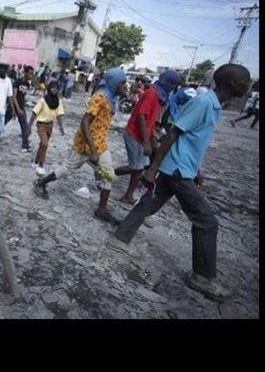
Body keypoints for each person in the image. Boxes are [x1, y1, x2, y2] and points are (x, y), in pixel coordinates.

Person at [107, 65, 252, 301]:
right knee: (207, 221)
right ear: (234, 83)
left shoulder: (213, 106)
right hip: (176, 170)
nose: (249, 86)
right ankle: (202, 277)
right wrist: (152, 169)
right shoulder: (203, 103)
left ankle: (119, 238)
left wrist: (197, 170)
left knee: (150, 203)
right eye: (246, 82)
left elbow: (191, 140)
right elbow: (173, 133)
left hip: (182, 168)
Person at [33, 68, 129, 223]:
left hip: (100, 143)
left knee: (108, 174)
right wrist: (92, 149)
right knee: (68, 168)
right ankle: (41, 182)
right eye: (123, 83)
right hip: (86, 143)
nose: (126, 87)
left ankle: (101, 209)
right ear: (115, 83)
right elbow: (85, 122)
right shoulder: (99, 97)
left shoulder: (111, 99)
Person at [115, 70, 182, 205]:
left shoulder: (159, 96)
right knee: (137, 167)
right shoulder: (152, 94)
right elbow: (141, 116)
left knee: (140, 167)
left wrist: (151, 138)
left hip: (142, 135)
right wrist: (146, 141)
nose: (174, 88)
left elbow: (150, 120)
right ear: (168, 83)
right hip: (134, 133)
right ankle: (123, 190)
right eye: (173, 84)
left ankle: (126, 192)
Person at [27, 80, 65, 176]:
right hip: (41, 125)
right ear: (49, 88)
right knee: (45, 144)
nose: (54, 90)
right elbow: (34, 113)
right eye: (53, 88)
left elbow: (59, 114)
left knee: (42, 145)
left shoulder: (58, 101)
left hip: (50, 126)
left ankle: (35, 162)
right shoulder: (43, 100)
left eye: (56, 88)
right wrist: (29, 126)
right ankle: (41, 165)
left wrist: (61, 127)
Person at [12, 65, 35, 154]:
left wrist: (22, 107)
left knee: (24, 126)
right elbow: (14, 97)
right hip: (13, 107)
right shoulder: (17, 81)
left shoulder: (27, 84)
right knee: (2, 123)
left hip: (21, 107)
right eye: (30, 73)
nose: (31, 75)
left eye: (32, 74)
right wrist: (17, 109)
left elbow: (23, 97)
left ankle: (25, 146)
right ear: (25, 73)